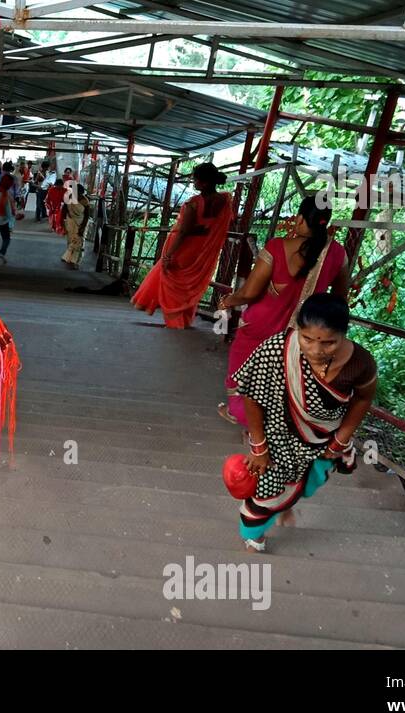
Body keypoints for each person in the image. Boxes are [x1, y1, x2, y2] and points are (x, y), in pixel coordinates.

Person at [230, 294, 377, 552]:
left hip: (323, 438)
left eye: (329, 343)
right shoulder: (276, 349)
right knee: (267, 487)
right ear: (297, 329)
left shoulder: (361, 363)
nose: (315, 350)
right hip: (275, 435)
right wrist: (259, 447)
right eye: (306, 339)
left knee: (308, 483)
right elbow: (252, 395)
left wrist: (341, 440)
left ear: (344, 335)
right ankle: (255, 536)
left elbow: (363, 399)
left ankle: (285, 506)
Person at [218, 195, 349, 425]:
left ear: (300, 219)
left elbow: (249, 293)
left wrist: (228, 300)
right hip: (303, 333)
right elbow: (339, 299)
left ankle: (244, 417)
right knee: (283, 379)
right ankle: (274, 425)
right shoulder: (338, 255)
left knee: (244, 372)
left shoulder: (277, 247)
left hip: (260, 327)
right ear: (325, 222)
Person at [131, 162, 233, 329]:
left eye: (196, 180)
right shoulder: (224, 200)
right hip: (203, 250)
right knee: (187, 287)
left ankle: (175, 323)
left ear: (204, 182)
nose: (194, 182)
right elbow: (213, 225)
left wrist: (168, 254)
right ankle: (183, 321)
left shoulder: (193, 203)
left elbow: (184, 231)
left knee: (173, 285)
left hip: (185, 249)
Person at [60, 183, 89, 270]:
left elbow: (87, 215)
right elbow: (64, 209)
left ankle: (76, 260)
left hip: (80, 222)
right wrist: (62, 221)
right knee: (70, 239)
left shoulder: (85, 201)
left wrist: (83, 227)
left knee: (79, 241)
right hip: (70, 220)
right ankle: (69, 257)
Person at [0, 173, 18, 265]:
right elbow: (8, 212)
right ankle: (2, 252)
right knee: (6, 238)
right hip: (2, 221)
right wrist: (12, 221)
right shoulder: (5, 195)